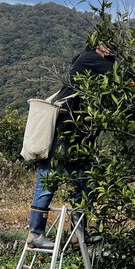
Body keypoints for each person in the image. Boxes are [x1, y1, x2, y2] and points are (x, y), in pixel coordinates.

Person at [27, 40, 116, 250]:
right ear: (98, 46)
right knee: (49, 178)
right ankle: (35, 233)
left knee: (85, 183)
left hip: (81, 138)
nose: (110, 51)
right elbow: (121, 73)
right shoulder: (88, 58)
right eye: (108, 47)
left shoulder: (97, 67)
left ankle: (78, 234)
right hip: (64, 133)